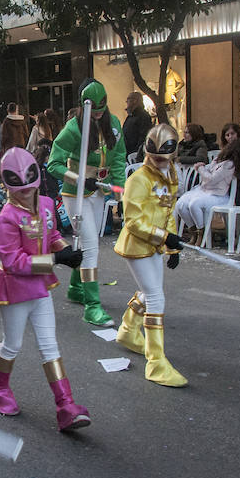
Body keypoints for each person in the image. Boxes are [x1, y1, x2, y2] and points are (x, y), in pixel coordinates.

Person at [0, 147, 88, 430]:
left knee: (50, 346)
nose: (24, 193)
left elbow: (53, 234)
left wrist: (67, 251)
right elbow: (14, 262)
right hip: (16, 290)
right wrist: (57, 259)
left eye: (29, 187)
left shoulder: (46, 204)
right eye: (18, 188)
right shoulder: (5, 219)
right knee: (13, 345)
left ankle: (66, 405)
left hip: (41, 289)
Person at [46, 79, 126, 326]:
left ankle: (76, 288)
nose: (99, 114)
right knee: (91, 245)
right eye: (95, 109)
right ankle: (92, 306)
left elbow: (119, 155)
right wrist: (80, 179)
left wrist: (119, 187)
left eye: (103, 108)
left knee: (90, 241)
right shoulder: (73, 129)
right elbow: (53, 164)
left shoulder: (113, 123)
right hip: (76, 194)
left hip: (101, 191)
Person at [113, 124, 186, 388]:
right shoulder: (139, 179)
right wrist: (165, 238)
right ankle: (156, 363)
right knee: (156, 296)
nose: (158, 162)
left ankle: (128, 331)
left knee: (149, 291)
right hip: (137, 246)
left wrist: (173, 247)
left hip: (154, 245)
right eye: (154, 157)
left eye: (163, 158)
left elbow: (168, 213)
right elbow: (132, 221)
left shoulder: (171, 174)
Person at [122, 91, 153, 158]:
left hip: (134, 154)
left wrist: (137, 153)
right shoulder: (130, 116)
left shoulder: (143, 116)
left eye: (128, 100)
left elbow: (144, 136)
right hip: (127, 153)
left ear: (134, 101)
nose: (126, 102)